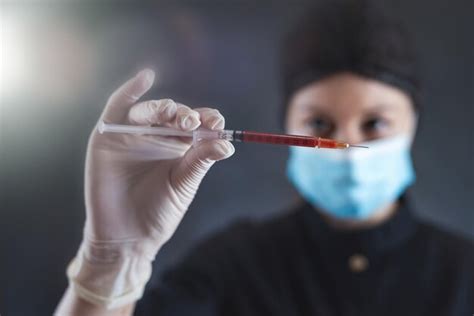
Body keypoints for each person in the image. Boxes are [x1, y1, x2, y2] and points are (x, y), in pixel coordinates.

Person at [55, 1, 473, 315]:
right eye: (320, 124)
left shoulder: (463, 273)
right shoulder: (233, 265)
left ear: (412, 123)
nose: (345, 146)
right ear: (286, 125)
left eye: (376, 124)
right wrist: (111, 260)